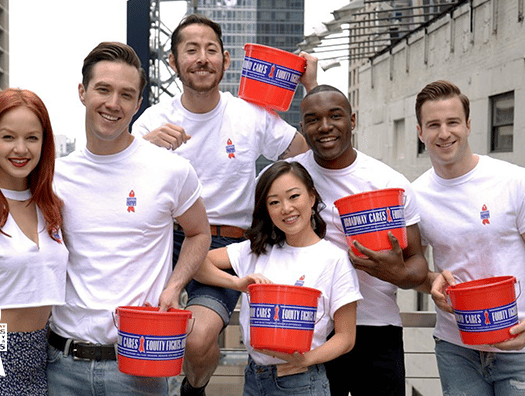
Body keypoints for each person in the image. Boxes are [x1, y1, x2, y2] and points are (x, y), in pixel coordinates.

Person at [0, 42, 212, 396]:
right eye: (103, 89)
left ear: (138, 104)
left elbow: (199, 232)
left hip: (138, 364)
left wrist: (175, 285)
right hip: (58, 364)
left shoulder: (171, 170)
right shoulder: (50, 178)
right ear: (82, 92)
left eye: (126, 94)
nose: (113, 103)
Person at [131, 14, 316, 396]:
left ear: (226, 60)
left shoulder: (249, 114)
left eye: (211, 50)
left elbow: (308, 154)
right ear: (173, 61)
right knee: (134, 329)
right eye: (191, 50)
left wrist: (309, 88)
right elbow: (120, 181)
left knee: (198, 341)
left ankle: (194, 388)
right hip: (162, 243)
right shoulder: (153, 120)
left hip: (225, 248)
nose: (202, 58)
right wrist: (143, 147)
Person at [287, 84, 428, 396]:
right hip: (310, 328)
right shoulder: (287, 180)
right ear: (302, 128)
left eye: (335, 116)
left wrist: (398, 274)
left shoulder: (389, 182)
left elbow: (418, 262)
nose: (325, 127)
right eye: (313, 119)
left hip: (377, 328)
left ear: (352, 120)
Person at [193, 160, 362, 395]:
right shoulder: (256, 250)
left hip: (301, 381)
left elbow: (346, 337)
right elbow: (195, 263)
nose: (286, 208)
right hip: (254, 378)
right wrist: (236, 283)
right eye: (274, 202)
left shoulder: (334, 259)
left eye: (294, 197)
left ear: (312, 198)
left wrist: (306, 360)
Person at [412, 80, 525, 395]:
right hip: (456, 346)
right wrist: (433, 282)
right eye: (433, 124)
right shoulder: (415, 195)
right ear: (420, 132)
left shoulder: (514, 181)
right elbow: (416, 271)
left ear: (469, 125)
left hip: (518, 343)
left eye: (452, 122)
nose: (444, 133)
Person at [0, 88, 68, 395]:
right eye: (8, 137)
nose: (21, 149)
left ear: (45, 143)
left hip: (41, 357)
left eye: (32, 137)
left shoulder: (52, 206)